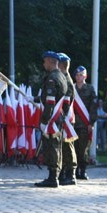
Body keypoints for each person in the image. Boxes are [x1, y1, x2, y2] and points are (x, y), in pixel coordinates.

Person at [34, 51, 68, 188]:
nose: (43, 64)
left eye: (44, 61)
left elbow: (50, 102)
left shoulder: (52, 78)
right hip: (59, 117)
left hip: (52, 119)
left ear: (49, 61)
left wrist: (44, 120)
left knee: (52, 147)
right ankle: (55, 175)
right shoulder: (62, 76)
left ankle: (53, 177)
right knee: (56, 146)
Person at [72, 65, 98, 180]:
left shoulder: (90, 89)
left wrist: (91, 123)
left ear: (85, 76)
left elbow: (93, 107)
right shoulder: (71, 88)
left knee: (83, 149)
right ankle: (74, 170)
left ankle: (83, 170)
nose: (79, 77)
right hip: (72, 123)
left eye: (81, 75)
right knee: (74, 148)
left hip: (84, 123)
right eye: (77, 75)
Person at [57, 53, 77, 186]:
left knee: (67, 146)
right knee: (63, 146)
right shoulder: (62, 78)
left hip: (66, 118)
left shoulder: (66, 80)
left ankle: (71, 174)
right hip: (62, 117)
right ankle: (64, 172)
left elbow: (65, 102)